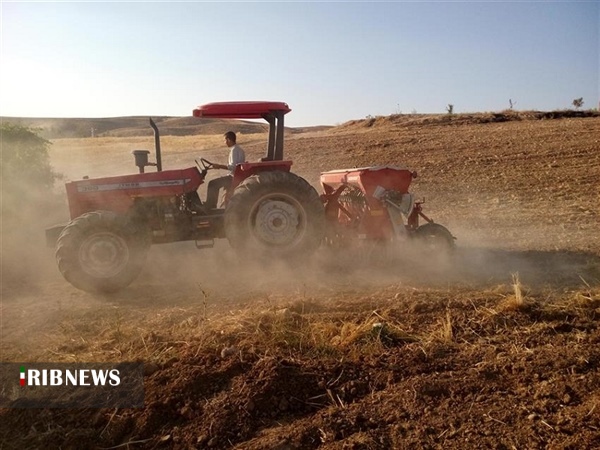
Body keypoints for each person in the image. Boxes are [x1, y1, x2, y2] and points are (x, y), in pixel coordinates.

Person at [205, 131, 245, 210]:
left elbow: (233, 167)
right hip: (236, 175)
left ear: (229, 140)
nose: (224, 142)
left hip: (233, 177)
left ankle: (210, 207)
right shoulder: (239, 149)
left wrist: (219, 166)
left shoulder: (234, 150)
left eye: (225, 140)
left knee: (212, 183)